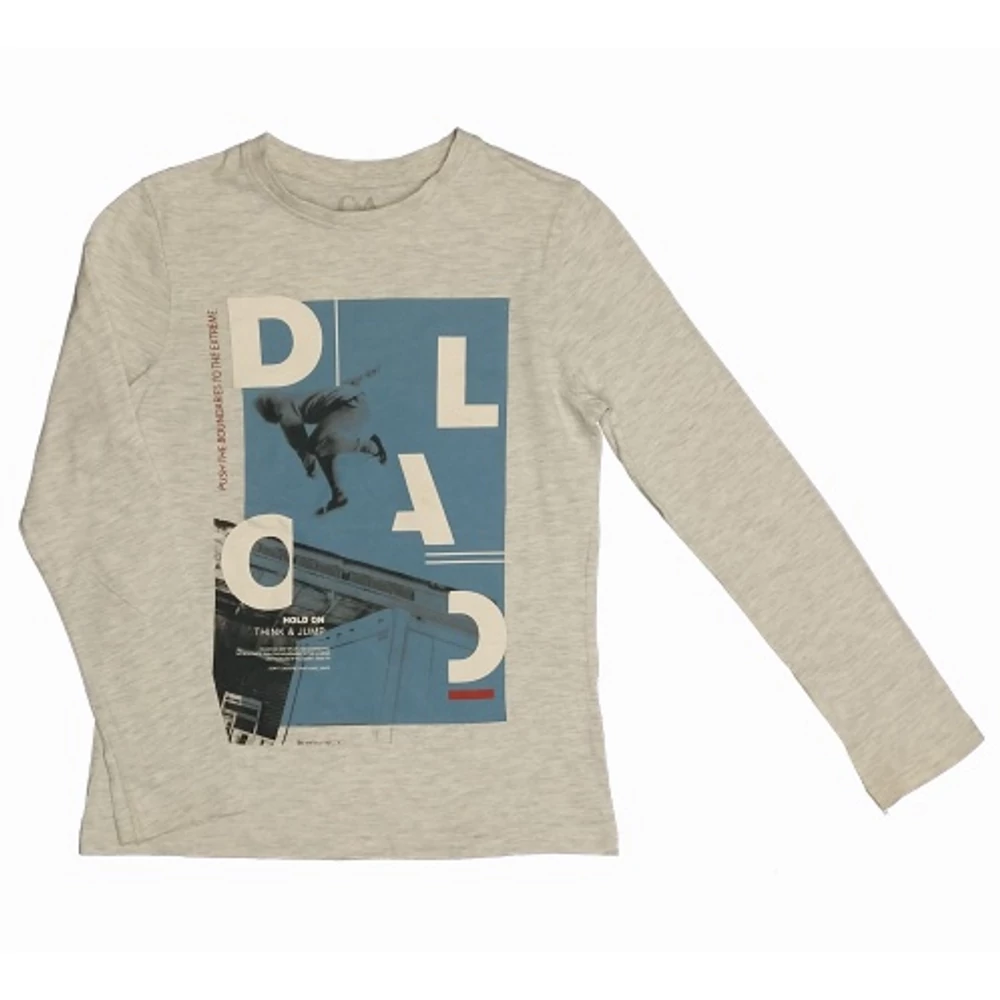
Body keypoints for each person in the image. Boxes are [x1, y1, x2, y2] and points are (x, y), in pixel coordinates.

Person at [253, 367, 387, 514]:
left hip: (350, 405)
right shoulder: (292, 397)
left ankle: (371, 446)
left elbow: (299, 443)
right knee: (322, 448)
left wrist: (310, 466)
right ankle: (338, 494)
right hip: (353, 401)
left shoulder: (283, 410)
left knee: (316, 446)